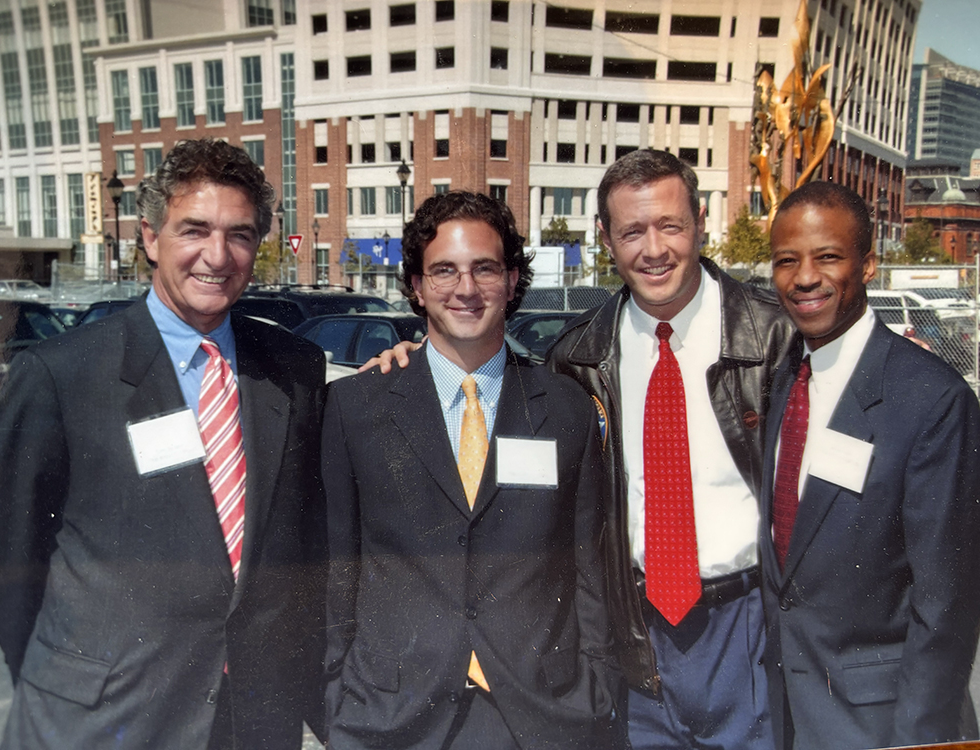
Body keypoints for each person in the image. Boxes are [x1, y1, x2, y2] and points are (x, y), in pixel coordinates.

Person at [368, 150, 795, 748]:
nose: (653, 250)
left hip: (745, 624)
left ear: (700, 221)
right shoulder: (578, 360)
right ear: (604, 238)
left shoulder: (776, 338)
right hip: (634, 629)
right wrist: (413, 359)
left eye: (670, 225)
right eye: (631, 231)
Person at [0, 138, 327, 749]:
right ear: (149, 237)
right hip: (105, 719)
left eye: (240, 235)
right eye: (194, 229)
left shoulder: (294, 367)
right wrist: (67, 675)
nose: (217, 256)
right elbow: (2, 554)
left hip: (252, 721)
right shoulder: (61, 374)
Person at [322, 191, 617, 750]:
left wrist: (594, 685)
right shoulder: (356, 407)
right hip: (394, 713)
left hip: (538, 711)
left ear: (511, 280)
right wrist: (337, 695)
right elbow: (338, 570)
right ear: (416, 286)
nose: (465, 289)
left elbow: (588, 568)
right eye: (444, 271)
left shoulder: (565, 407)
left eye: (484, 268)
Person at [762, 180, 980, 750]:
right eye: (787, 261)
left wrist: (921, 743)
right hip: (784, 716)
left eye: (827, 256)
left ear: (870, 264)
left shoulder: (932, 400)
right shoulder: (783, 381)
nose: (804, 277)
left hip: (882, 726)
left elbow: (947, 604)